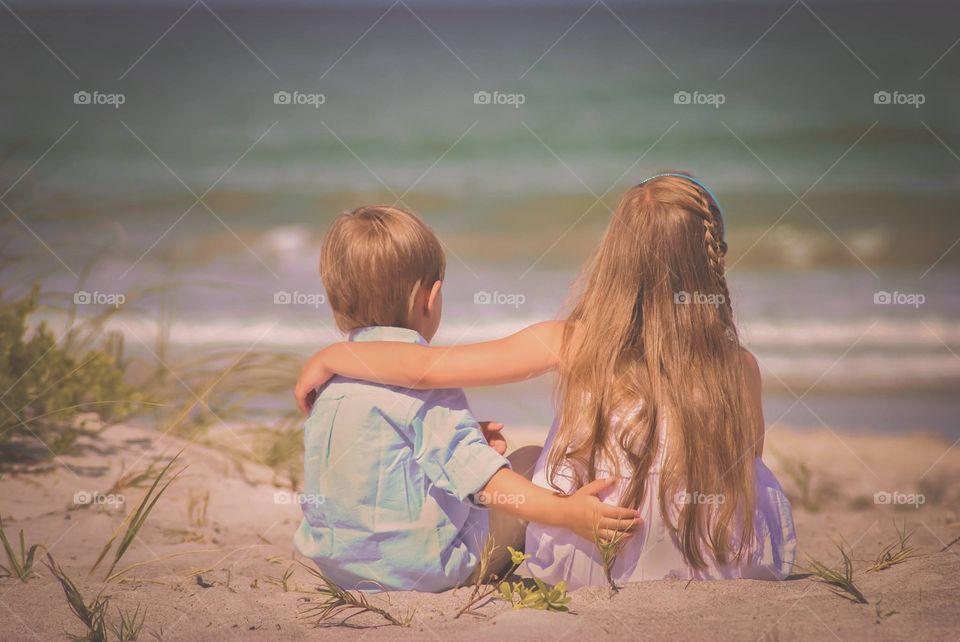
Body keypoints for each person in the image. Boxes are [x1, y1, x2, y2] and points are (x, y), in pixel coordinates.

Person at [295, 175, 797, 588]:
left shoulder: (572, 341)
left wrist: (335, 353)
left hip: (599, 557)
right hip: (722, 557)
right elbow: (744, 465)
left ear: (614, 258)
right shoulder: (740, 366)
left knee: (534, 460)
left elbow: (422, 369)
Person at [293, 205, 641, 592]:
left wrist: (462, 441)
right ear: (430, 298)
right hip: (422, 571)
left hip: (339, 569)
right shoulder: (430, 393)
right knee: (525, 461)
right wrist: (566, 513)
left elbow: (373, 464)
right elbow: (489, 484)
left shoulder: (328, 387)